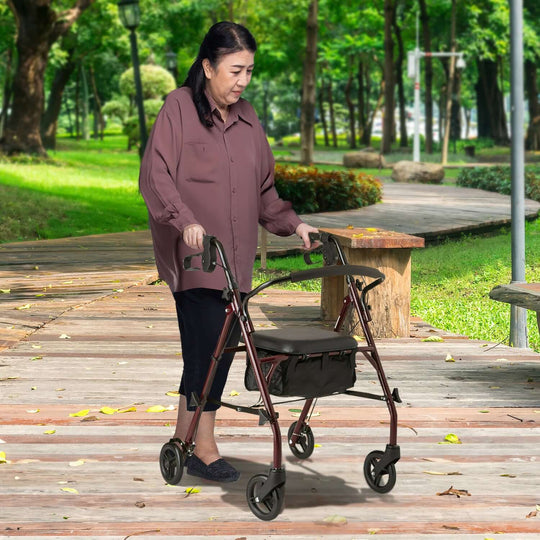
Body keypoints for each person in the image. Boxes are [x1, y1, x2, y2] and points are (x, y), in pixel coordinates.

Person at [139, 21, 318, 483]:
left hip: (235, 264)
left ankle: (181, 443)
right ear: (207, 66)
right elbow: (155, 177)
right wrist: (185, 221)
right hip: (196, 257)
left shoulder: (249, 119)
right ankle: (204, 447)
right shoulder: (178, 109)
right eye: (235, 70)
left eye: (249, 72)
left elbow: (264, 193)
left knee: (208, 353)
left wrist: (293, 224)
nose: (242, 81)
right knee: (207, 352)